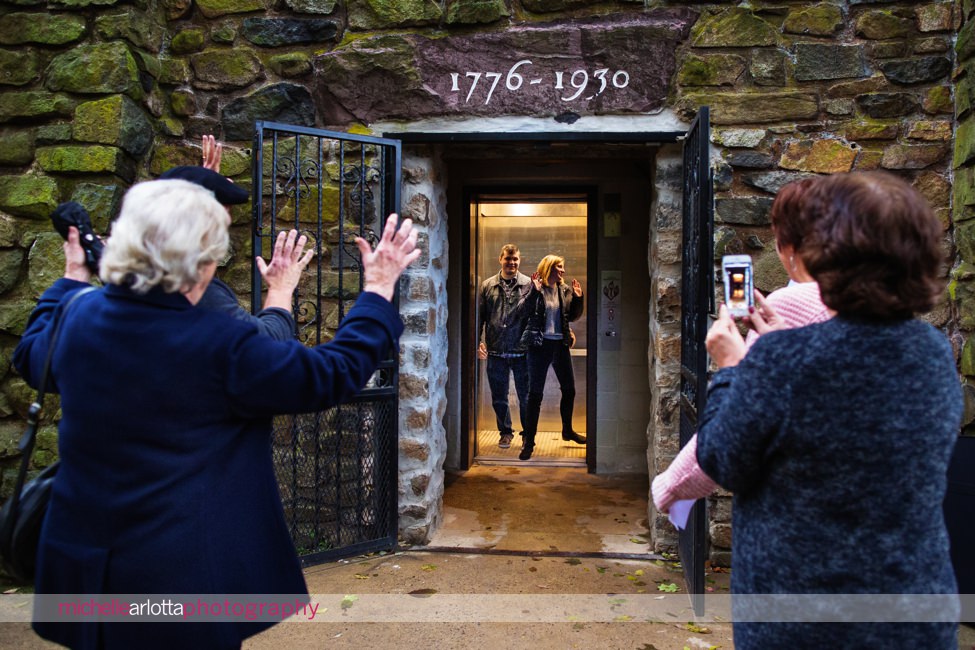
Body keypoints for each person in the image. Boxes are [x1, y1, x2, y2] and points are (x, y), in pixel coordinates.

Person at [13, 179, 420, 649]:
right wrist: (377, 289)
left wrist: (70, 276)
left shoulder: (77, 317)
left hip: (88, 572)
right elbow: (336, 372)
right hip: (179, 579)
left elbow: (30, 355)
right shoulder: (221, 344)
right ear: (203, 261)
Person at [696, 171, 961, 648]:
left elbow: (721, 460)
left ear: (829, 251)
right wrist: (777, 355)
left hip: (803, 615)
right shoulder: (931, 349)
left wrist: (733, 368)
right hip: (911, 609)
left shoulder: (786, 361)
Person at [652, 178, 830, 513]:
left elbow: (734, 432)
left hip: (796, 518)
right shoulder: (904, 327)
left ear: (787, 245)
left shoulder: (792, 304)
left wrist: (734, 366)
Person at [156, 134, 309, 341]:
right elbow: (265, 344)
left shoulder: (128, 279)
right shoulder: (193, 291)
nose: (226, 222)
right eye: (222, 214)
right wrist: (280, 288)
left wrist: (202, 187)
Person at [519, 254, 585, 461]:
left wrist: (578, 297)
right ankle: (529, 442)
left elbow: (572, 316)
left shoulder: (564, 290)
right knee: (535, 395)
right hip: (539, 345)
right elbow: (522, 312)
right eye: (559, 267)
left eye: (563, 268)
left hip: (560, 344)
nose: (563, 271)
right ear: (549, 268)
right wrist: (534, 293)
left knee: (569, 389)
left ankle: (567, 430)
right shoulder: (533, 288)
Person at [477, 244, 533, 449]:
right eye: (508, 259)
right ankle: (505, 432)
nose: (512, 263)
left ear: (519, 260)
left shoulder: (528, 284)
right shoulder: (487, 285)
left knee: (525, 397)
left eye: (515, 259)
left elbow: (533, 318)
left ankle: (528, 434)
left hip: (522, 351)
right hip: (496, 350)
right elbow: (480, 317)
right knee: (499, 397)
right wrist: (477, 342)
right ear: (500, 259)